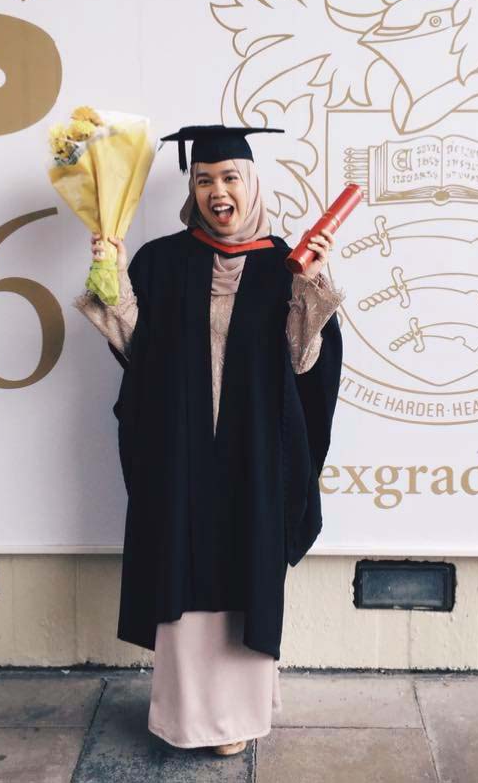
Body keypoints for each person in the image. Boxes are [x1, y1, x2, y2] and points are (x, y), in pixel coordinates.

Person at [73, 124, 345, 755]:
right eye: (204, 180)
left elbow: (305, 367)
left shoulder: (288, 263)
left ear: (251, 184)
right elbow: (138, 351)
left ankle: (238, 720)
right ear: (191, 189)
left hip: (255, 454)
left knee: (245, 569)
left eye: (230, 178)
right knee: (181, 566)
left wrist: (311, 294)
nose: (217, 191)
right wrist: (109, 277)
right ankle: (188, 717)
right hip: (181, 452)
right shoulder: (163, 261)